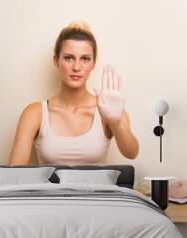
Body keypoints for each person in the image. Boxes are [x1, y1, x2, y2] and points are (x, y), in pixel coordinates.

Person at [8, 21, 139, 165]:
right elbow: (14, 171)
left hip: (98, 188)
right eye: (69, 58)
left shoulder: (109, 110)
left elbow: (132, 153)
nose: (77, 67)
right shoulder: (35, 113)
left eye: (85, 59)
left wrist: (116, 122)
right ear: (56, 60)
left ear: (93, 63)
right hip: (48, 189)